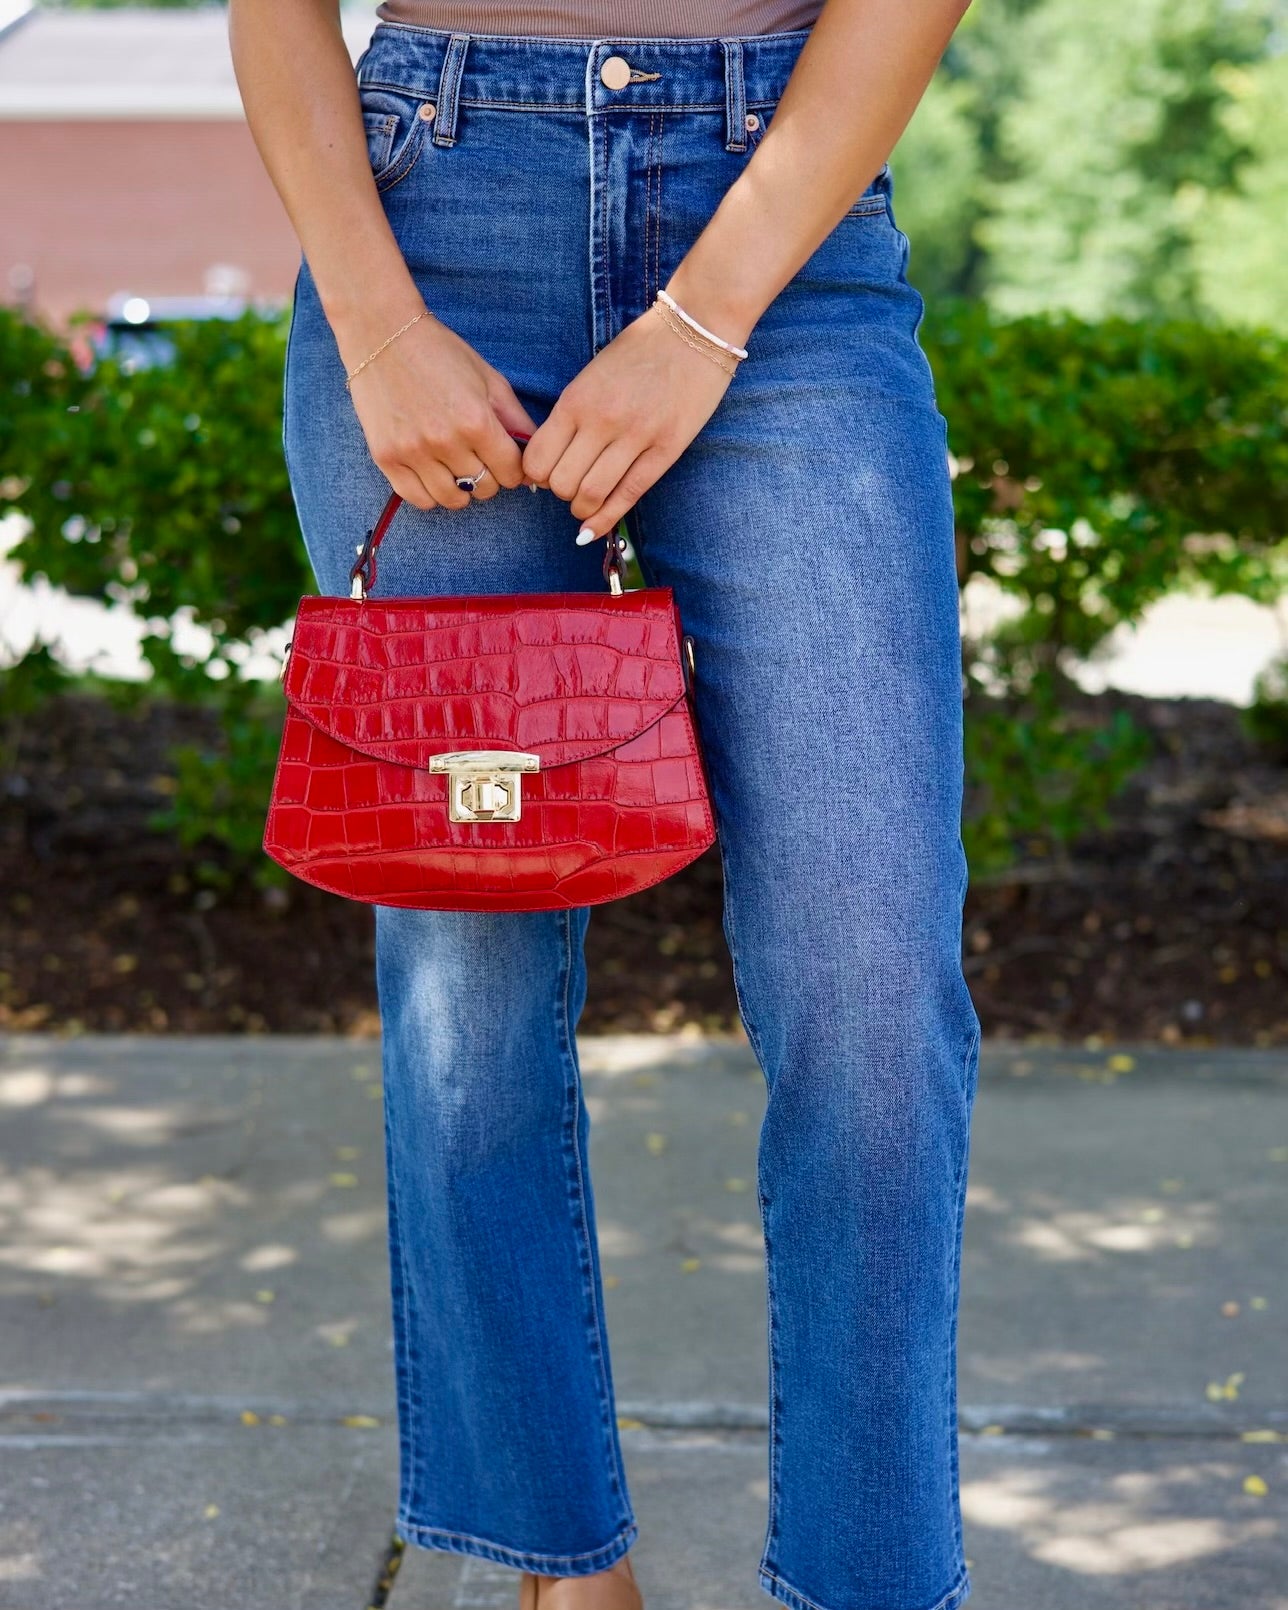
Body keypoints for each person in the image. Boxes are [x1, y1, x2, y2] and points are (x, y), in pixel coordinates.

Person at [228, 0, 981, 1607]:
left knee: (871, 990)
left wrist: (700, 321)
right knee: (466, 983)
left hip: (782, 228)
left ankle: (871, 1580)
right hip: (430, 223)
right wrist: (375, 327)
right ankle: (562, 1573)